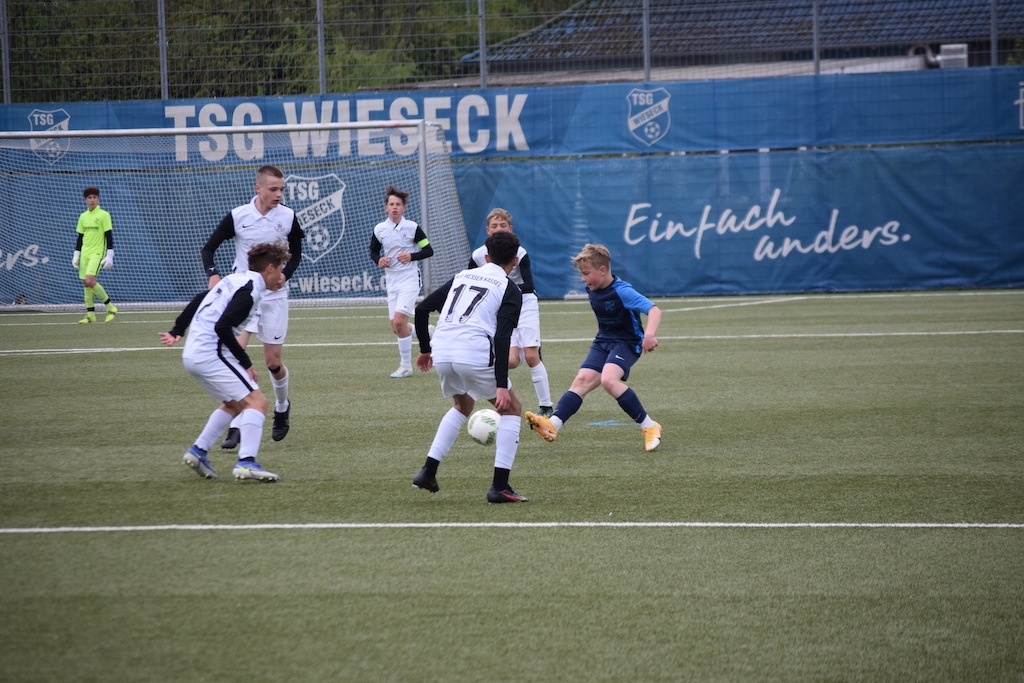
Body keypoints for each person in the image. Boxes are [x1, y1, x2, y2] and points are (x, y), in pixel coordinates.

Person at [159, 241, 291, 482]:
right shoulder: (250, 290)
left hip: (193, 354)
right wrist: (246, 362)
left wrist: (178, 329)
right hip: (211, 354)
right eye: (281, 268)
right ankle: (246, 463)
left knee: (234, 404)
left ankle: (198, 452)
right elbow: (223, 327)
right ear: (270, 268)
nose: (282, 275)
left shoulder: (235, 279)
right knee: (258, 402)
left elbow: (200, 297)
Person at [411, 230, 528, 503]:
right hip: (473, 352)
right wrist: (501, 386)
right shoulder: (510, 288)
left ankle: (428, 471)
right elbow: (502, 337)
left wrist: (426, 349)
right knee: (512, 408)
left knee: (463, 405)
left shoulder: (462, 276)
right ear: (515, 261)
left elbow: (421, 309)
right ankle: (500, 487)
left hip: (442, 351)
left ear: (486, 257)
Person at [201, 165, 304, 449]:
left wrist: (285, 275)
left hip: (274, 297)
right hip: (244, 295)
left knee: (273, 363)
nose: (278, 194)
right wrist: (213, 274)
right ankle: (237, 421)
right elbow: (208, 248)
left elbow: (296, 252)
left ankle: (282, 407)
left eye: (282, 189)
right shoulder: (238, 216)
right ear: (258, 189)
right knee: (236, 356)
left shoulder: (288, 217)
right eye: (273, 189)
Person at [525, 243, 663, 452]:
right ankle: (553, 425)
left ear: (603, 270)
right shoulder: (592, 287)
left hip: (627, 342)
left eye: (586, 274)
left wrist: (650, 335)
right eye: (581, 274)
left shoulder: (622, 291)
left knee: (609, 380)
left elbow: (654, 310)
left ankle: (650, 426)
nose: (583, 279)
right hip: (603, 340)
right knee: (581, 381)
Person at [468, 208, 553, 416]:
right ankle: (527, 345)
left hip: (525, 303)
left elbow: (529, 285)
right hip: (502, 307)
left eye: (503, 225)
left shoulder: (519, 253)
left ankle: (546, 406)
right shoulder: (478, 255)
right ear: (488, 230)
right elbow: (470, 282)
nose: (499, 229)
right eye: (494, 226)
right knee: (511, 361)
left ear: (510, 229)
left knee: (532, 356)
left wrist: (502, 288)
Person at [369, 185, 434, 378]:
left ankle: (405, 366)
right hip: (392, 281)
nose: (395, 207)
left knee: (399, 322)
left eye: (398, 204)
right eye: (391, 204)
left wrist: (412, 256)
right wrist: (378, 260)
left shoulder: (412, 228)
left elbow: (428, 250)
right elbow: (373, 251)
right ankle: (427, 331)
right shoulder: (380, 229)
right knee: (396, 327)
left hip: (409, 279)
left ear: (404, 208)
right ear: (386, 207)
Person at [72, 186, 118, 324]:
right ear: (85, 200)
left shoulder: (104, 215)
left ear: (99, 199)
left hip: (97, 253)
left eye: (94, 197)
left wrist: (109, 255)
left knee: (90, 280)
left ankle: (110, 307)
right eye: (89, 198)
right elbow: (80, 237)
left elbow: (108, 235)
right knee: (86, 283)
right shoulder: (83, 216)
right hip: (85, 253)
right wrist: (76, 255)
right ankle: (90, 315)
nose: (92, 200)